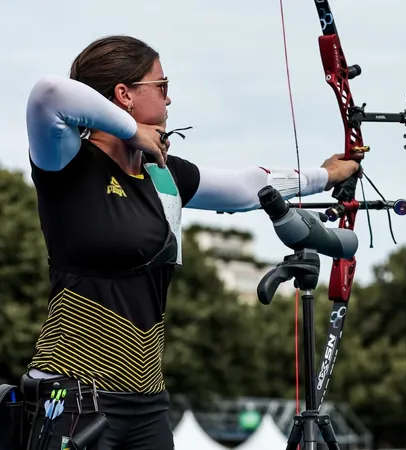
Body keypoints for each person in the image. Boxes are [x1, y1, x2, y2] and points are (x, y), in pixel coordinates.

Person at [16, 34, 360, 450]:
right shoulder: (69, 161)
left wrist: (324, 175)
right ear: (124, 94)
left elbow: (246, 187)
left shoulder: (163, 175)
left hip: (146, 403)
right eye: (161, 87)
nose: (169, 100)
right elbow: (48, 95)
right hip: (73, 396)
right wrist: (131, 131)